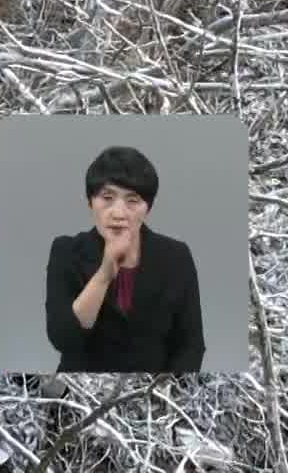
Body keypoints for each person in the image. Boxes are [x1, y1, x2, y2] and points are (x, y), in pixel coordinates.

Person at [44, 145, 205, 372]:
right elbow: (63, 339)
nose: (118, 212)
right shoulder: (66, 251)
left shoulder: (176, 256)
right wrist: (104, 275)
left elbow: (191, 346)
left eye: (132, 200)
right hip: (82, 394)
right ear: (90, 202)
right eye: (107, 197)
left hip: (152, 395)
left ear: (148, 208)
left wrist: (162, 396)